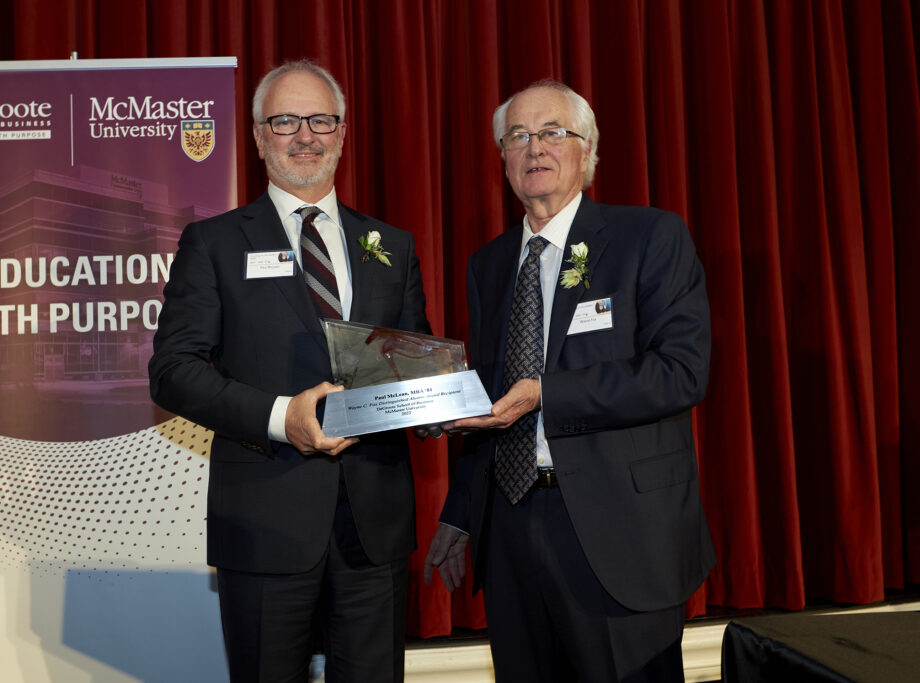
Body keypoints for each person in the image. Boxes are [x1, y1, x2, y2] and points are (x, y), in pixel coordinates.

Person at [423, 80, 715, 681]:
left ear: (589, 151)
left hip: (619, 531)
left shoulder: (649, 237)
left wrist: (545, 393)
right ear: (502, 157)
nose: (536, 148)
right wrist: (459, 512)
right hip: (509, 526)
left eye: (554, 132)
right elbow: (487, 392)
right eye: (518, 136)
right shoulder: (490, 264)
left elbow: (680, 373)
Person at [149, 60, 430, 682]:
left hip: (374, 528)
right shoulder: (214, 242)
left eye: (320, 119)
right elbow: (172, 371)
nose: (305, 135)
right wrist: (283, 418)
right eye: (284, 120)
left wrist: (443, 406)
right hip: (264, 521)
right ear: (256, 137)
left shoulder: (392, 244)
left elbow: (409, 364)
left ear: (342, 132)